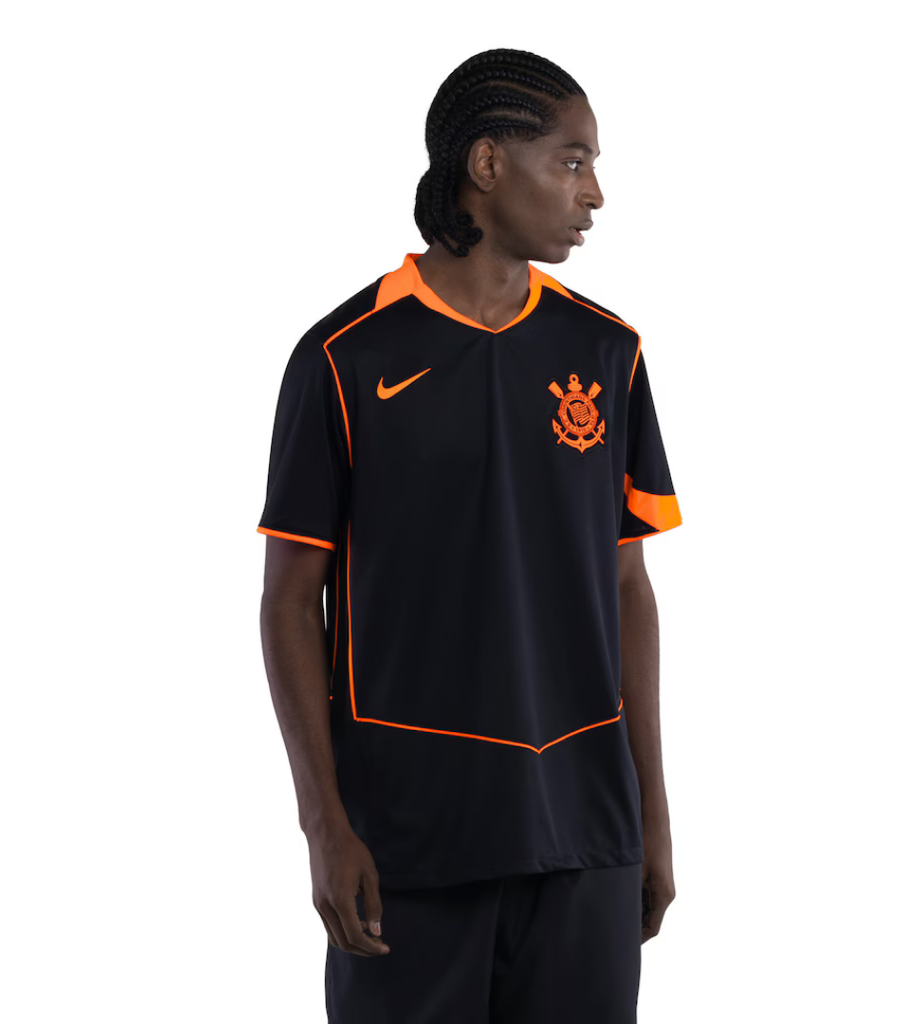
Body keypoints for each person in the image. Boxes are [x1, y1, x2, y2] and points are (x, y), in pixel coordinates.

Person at [257, 47, 683, 1022]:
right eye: (571, 160)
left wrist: (652, 815)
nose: (594, 193)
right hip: (409, 839)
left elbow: (627, 587)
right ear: (487, 163)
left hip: (584, 830)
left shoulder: (606, 352)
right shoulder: (343, 355)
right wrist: (324, 825)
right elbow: (287, 600)